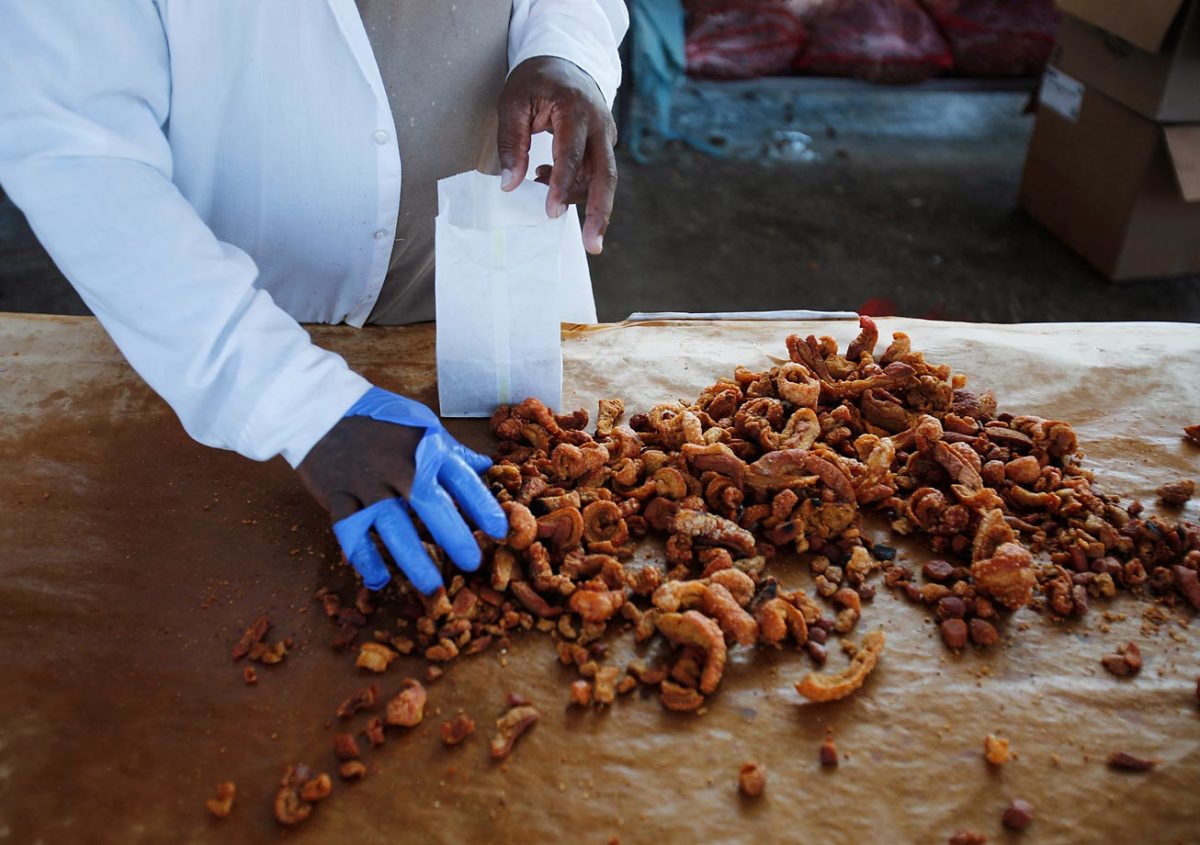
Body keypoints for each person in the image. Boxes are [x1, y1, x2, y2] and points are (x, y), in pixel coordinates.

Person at [0, 1, 627, 594]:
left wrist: (566, 50)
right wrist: (293, 403)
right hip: (236, 328)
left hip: (497, 280)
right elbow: (76, 153)